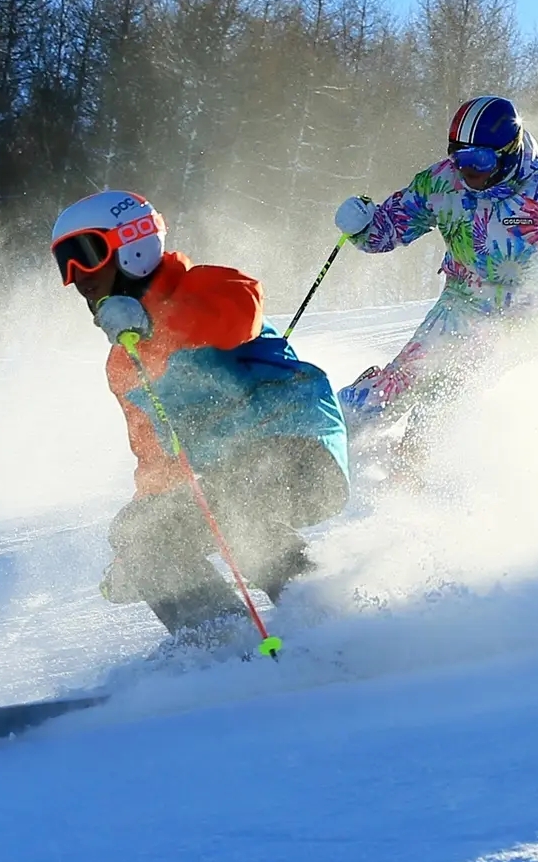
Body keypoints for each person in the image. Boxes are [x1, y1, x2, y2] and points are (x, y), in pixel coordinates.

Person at [50, 190, 348, 635]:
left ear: (133, 245)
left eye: (85, 255)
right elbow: (157, 458)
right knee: (139, 531)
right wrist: (138, 550)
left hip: (298, 447)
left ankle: (324, 613)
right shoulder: (122, 363)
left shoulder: (201, 286)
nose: (77, 278)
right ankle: (219, 641)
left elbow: (238, 315)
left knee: (234, 499)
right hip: (231, 476)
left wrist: (152, 323)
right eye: (64, 264)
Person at [331, 95, 538, 480]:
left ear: (509, 153)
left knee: (456, 378)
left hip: (532, 312)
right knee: (406, 376)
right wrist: (362, 226)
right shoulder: (443, 182)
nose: (467, 172)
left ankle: (411, 465)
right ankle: (334, 429)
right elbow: (390, 229)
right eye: (459, 158)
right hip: (464, 298)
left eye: (480, 162)